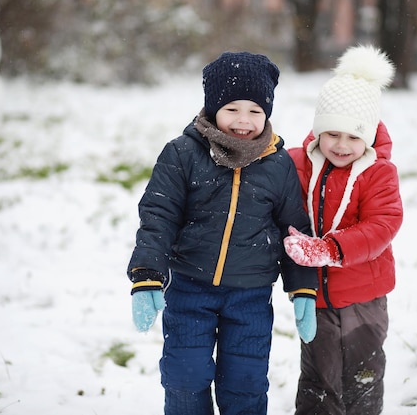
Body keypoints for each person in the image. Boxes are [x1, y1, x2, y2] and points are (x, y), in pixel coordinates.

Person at [127, 51, 318, 415]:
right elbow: (158, 214)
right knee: (185, 375)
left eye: (254, 111)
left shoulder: (278, 164)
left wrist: (303, 286)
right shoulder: (183, 153)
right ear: (212, 108)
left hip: (250, 294)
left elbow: (294, 229)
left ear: (267, 114)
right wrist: (147, 275)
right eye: (232, 109)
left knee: (244, 382)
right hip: (189, 289)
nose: (243, 121)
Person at [284, 45, 403, 415]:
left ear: (367, 137)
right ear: (318, 130)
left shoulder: (379, 172)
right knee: (319, 376)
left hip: (364, 295)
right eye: (332, 134)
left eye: (354, 137)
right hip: (314, 296)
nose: (342, 145)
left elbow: (384, 223)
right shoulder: (297, 164)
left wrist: (332, 249)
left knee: (362, 374)